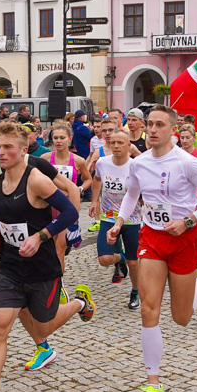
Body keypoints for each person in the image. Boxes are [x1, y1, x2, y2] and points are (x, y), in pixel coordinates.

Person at [0, 122, 95, 392]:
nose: (2, 152)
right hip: (10, 267)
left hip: (41, 267)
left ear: (24, 150)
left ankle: (79, 303)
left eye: (8, 147)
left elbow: (70, 211)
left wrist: (41, 236)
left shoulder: (36, 179)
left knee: (44, 327)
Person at [106, 105, 197, 392]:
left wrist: (189, 220)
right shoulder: (139, 163)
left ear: (173, 130)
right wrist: (119, 222)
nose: (153, 130)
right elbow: (132, 194)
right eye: (150, 124)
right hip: (152, 238)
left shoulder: (187, 163)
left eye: (160, 125)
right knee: (149, 307)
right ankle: (153, 385)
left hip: (184, 239)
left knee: (181, 318)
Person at [90, 128, 141, 308]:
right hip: (109, 217)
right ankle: (120, 258)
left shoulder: (136, 165)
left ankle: (135, 292)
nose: (116, 146)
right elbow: (97, 180)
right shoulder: (102, 163)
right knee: (104, 259)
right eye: (113, 143)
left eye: (121, 143)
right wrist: (95, 200)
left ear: (128, 146)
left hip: (132, 219)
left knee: (134, 262)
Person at [41, 123, 92, 273]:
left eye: (62, 138)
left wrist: (79, 189)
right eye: (55, 138)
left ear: (69, 139)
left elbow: (88, 179)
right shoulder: (44, 158)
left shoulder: (78, 160)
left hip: (66, 207)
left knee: (59, 248)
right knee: (47, 247)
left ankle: (58, 285)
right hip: (47, 206)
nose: (58, 141)